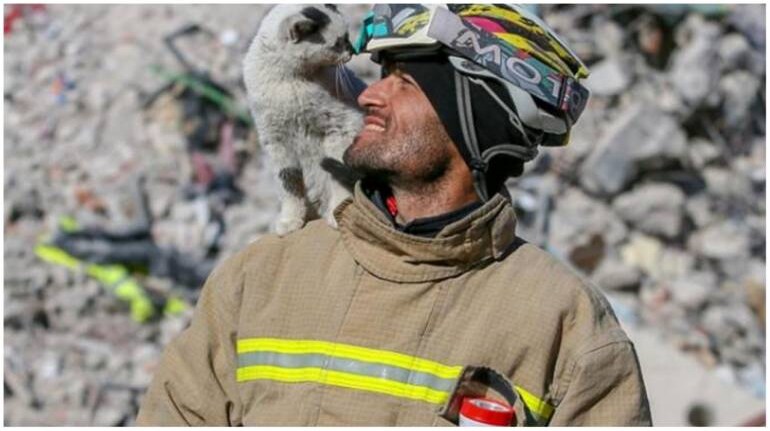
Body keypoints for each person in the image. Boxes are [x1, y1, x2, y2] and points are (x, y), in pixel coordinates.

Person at [136, 4, 651, 426]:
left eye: (405, 80)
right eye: (382, 74)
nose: (371, 93)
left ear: (475, 116)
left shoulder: (564, 325)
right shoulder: (262, 278)